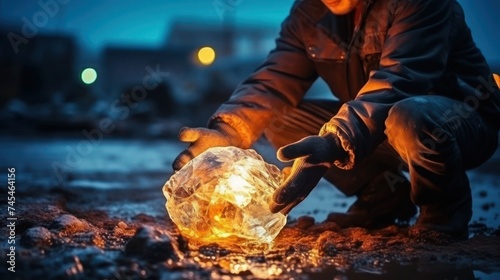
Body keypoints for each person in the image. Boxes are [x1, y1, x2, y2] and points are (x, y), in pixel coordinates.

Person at [173, 0, 500, 239]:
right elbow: (275, 78)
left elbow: (400, 81)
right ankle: (385, 197)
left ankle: (443, 212)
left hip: (457, 122)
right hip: (375, 127)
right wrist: (229, 128)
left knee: (408, 113)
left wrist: (335, 140)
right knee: (279, 117)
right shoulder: (309, 14)